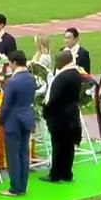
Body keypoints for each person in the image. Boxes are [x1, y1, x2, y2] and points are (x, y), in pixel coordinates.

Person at [0, 50, 36, 196]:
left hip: (13, 121)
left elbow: (6, 105)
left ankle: (15, 187)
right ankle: (22, 186)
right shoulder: (31, 78)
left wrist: (1, 120)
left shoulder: (13, 82)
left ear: (14, 63)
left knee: (13, 155)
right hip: (26, 118)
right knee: (23, 153)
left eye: (10, 64)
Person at [42, 50, 83, 183]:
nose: (56, 63)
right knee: (68, 145)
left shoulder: (63, 76)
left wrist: (46, 111)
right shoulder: (75, 73)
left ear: (64, 61)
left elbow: (54, 98)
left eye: (58, 61)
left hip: (59, 116)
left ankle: (55, 174)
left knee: (58, 145)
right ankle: (66, 173)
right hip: (70, 114)